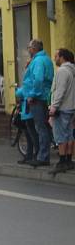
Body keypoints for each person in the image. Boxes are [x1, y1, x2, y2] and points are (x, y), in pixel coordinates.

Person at [16, 39, 55, 167]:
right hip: (42, 96)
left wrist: (32, 95)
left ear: (34, 48)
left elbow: (38, 79)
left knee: (40, 127)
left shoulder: (38, 61)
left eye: (29, 47)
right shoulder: (44, 59)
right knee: (43, 127)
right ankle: (42, 154)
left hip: (38, 98)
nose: (28, 50)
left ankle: (43, 157)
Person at [49, 48, 75, 174]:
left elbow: (60, 91)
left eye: (56, 55)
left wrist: (54, 107)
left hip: (62, 108)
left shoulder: (62, 71)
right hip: (71, 108)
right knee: (69, 134)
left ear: (62, 57)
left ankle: (62, 161)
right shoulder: (72, 70)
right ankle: (69, 160)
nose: (55, 58)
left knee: (60, 135)